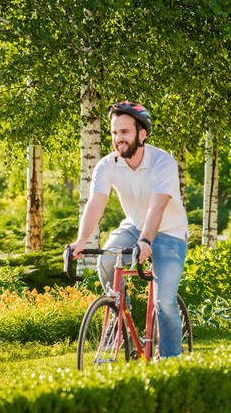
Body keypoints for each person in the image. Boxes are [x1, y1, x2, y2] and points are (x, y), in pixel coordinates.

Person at [70, 100, 189, 358]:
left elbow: (157, 207)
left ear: (142, 133)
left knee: (164, 301)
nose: (117, 138)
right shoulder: (108, 164)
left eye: (124, 132)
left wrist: (146, 241)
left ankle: (170, 360)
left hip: (169, 233)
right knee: (107, 259)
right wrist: (81, 240)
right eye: (114, 132)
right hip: (135, 226)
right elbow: (96, 203)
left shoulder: (162, 162)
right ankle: (119, 313)